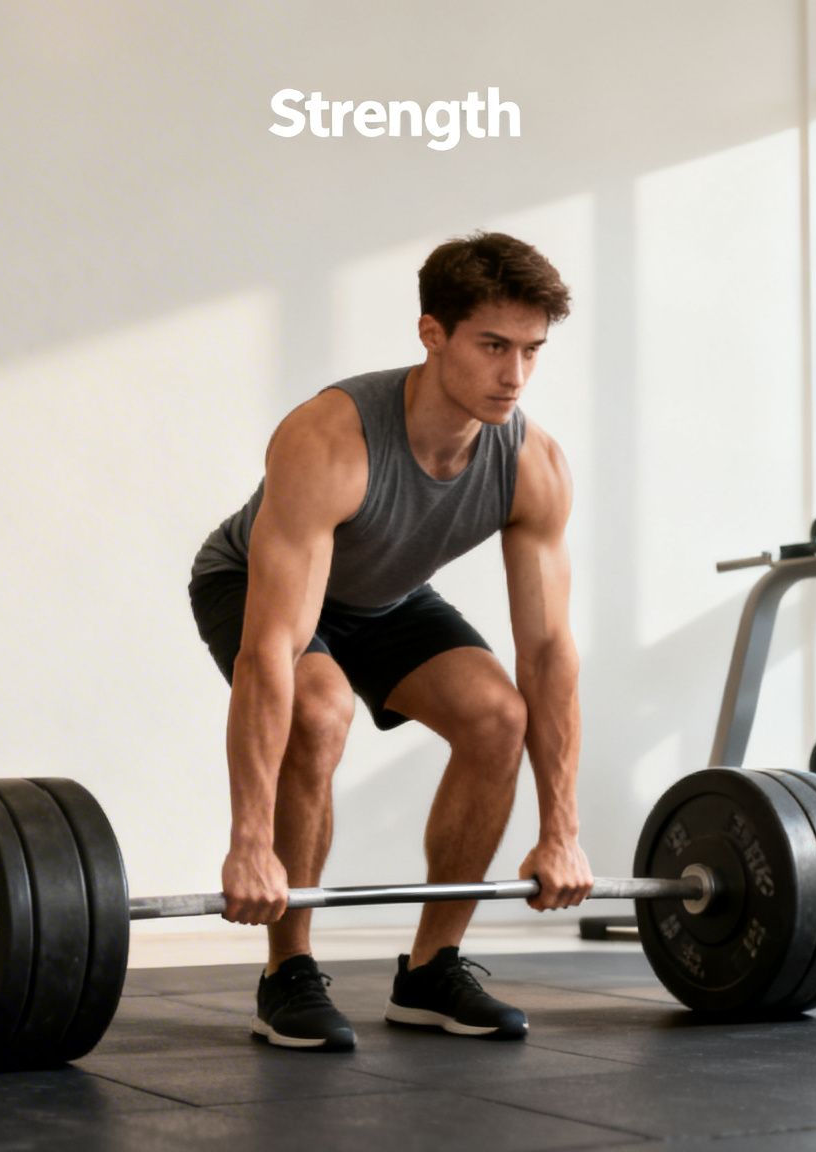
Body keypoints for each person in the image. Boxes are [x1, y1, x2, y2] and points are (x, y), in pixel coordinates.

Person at [187, 231, 593, 1051]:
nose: (514, 374)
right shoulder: (330, 437)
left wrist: (561, 830)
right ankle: (287, 970)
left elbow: (547, 651)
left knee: (496, 718)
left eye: (531, 350)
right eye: (492, 346)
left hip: (389, 595)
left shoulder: (532, 463)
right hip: (252, 585)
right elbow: (271, 648)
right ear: (431, 333)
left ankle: (431, 969)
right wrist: (249, 845)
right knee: (320, 706)